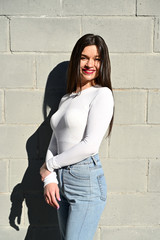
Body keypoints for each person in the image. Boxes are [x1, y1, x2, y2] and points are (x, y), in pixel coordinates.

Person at [40, 33, 114, 240]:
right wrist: (50, 178)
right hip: (60, 179)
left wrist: (49, 166)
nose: (90, 64)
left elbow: (90, 145)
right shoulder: (67, 98)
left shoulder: (102, 94)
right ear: (76, 60)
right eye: (84, 57)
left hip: (85, 181)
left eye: (97, 59)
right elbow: (54, 141)